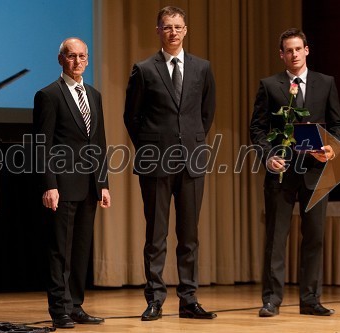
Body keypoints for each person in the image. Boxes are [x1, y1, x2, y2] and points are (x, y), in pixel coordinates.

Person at [124, 6, 216, 321]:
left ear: (186, 30)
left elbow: (206, 114)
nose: (173, 32)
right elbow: (131, 116)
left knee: (189, 236)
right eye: (167, 27)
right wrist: (150, 148)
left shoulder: (202, 68)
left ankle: (189, 300)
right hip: (155, 164)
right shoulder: (144, 69)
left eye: (178, 26)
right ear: (158, 31)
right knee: (156, 235)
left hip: (192, 162)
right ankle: (155, 300)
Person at [250, 28, 340, 317]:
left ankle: (310, 299)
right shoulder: (269, 85)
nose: (293, 54)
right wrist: (268, 156)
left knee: (314, 236)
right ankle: (272, 300)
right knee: (276, 238)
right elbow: (257, 129)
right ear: (282, 54)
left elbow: (338, 126)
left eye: (298, 49)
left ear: (307, 50)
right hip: (281, 173)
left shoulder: (325, 83)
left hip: (316, 172)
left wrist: (332, 150)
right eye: (288, 50)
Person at [33, 37, 111, 329]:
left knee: (80, 250)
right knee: (60, 251)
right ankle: (59, 309)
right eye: (71, 56)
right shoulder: (49, 95)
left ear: (88, 60)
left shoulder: (94, 95)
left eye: (82, 56)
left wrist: (103, 183)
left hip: (89, 185)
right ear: (60, 59)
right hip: (62, 186)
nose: (77, 62)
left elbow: (99, 142)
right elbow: (43, 145)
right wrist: (49, 184)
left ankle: (76, 305)